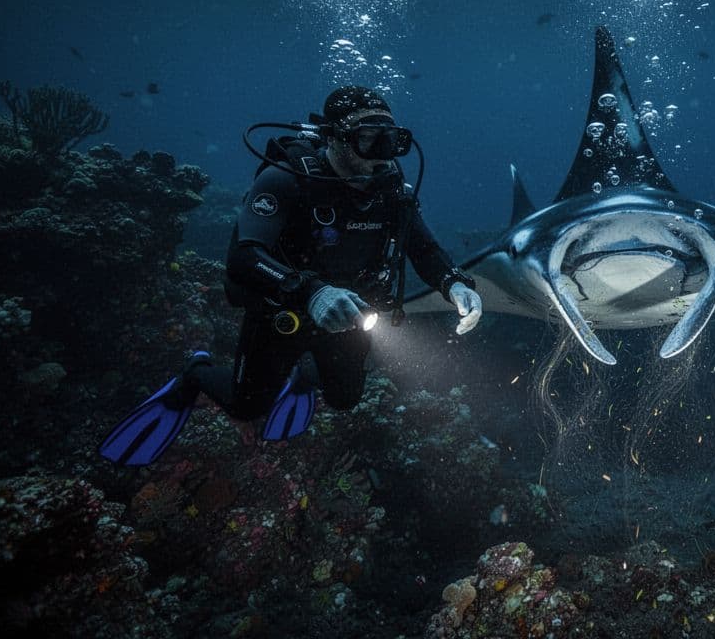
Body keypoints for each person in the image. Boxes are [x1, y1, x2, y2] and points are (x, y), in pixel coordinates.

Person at [100, 86, 483, 466]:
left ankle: (300, 374)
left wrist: (455, 284)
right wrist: (313, 293)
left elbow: (425, 250)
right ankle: (195, 373)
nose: (381, 158)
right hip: (283, 313)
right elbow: (244, 257)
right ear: (334, 138)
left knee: (345, 400)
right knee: (245, 405)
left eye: (391, 142)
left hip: (350, 314)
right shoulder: (285, 179)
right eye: (369, 141)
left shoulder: (393, 194)